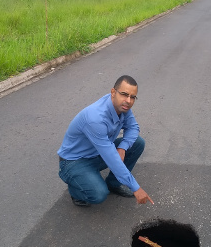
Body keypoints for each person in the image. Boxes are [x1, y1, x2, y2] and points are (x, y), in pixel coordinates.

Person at [57, 75, 154, 207]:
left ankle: (113, 184)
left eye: (132, 97)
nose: (128, 100)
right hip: (74, 161)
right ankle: (76, 190)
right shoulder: (95, 118)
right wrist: (136, 188)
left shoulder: (122, 107)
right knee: (99, 194)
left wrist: (122, 147)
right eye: (124, 94)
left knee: (137, 143)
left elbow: (133, 127)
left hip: (97, 152)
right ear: (113, 92)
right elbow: (111, 158)